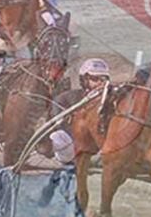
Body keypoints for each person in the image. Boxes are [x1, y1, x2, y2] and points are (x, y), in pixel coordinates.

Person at [39, 57, 112, 207]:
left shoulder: (109, 103)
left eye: (104, 79)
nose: (100, 83)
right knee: (59, 140)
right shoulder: (69, 98)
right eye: (95, 79)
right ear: (84, 80)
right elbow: (53, 120)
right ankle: (53, 188)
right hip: (70, 144)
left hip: (95, 148)